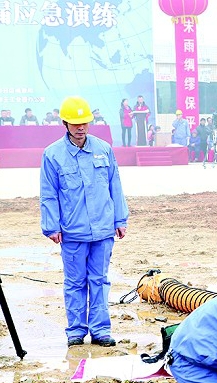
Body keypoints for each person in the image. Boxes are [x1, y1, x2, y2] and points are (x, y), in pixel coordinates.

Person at [40, 96, 129, 348]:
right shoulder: (53, 155)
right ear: (65, 123)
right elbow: (49, 193)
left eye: (85, 123)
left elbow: (115, 185)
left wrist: (120, 219)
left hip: (103, 230)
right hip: (72, 231)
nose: (81, 128)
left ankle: (100, 330)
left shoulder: (103, 149)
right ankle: (76, 331)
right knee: (75, 282)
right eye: (76, 123)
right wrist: (51, 225)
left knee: (99, 280)